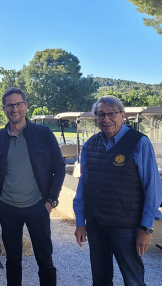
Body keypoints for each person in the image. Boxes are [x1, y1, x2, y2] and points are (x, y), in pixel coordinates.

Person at [73, 95, 162, 286]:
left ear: (122, 115)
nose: (106, 119)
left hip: (126, 227)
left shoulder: (139, 143)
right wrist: (80, 222)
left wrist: (146, 228)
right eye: (100, 114)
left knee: (133, 280)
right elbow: (83, 186)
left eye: (111, 114)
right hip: (96, 224)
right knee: (101, 279)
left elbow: (153, 188)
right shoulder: (90, 145)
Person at [0, 87, 65, 286]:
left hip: (37, 207)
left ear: (25, 105)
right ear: (4, 108)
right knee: (13, 260)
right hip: (8, 208)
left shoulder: (43, 133)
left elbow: (59, 167)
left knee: (45, 260)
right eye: (9, 105)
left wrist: (50, 200)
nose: (14, 109)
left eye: (18, 104)